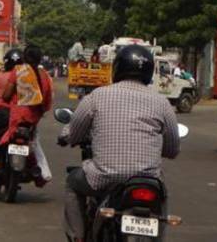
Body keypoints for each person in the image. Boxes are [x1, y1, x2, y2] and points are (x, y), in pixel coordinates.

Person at [61, 44, 181, 242]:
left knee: (72, 183)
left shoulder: (97, 96)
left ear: (117, 69)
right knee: (162, 195)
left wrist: (66, 138)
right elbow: (172, 149)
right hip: (147, 181)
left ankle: (78, 237)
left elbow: (74, 133)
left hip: (103, 177)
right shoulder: (162, 103)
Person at [1, 46, 54, 184]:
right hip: (33, 120)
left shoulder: (18, 71)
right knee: (34, 143)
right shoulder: (45, 76)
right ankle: (38, 173)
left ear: (24, 58)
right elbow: (47, 103)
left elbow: (6, 96)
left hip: (16, 117)